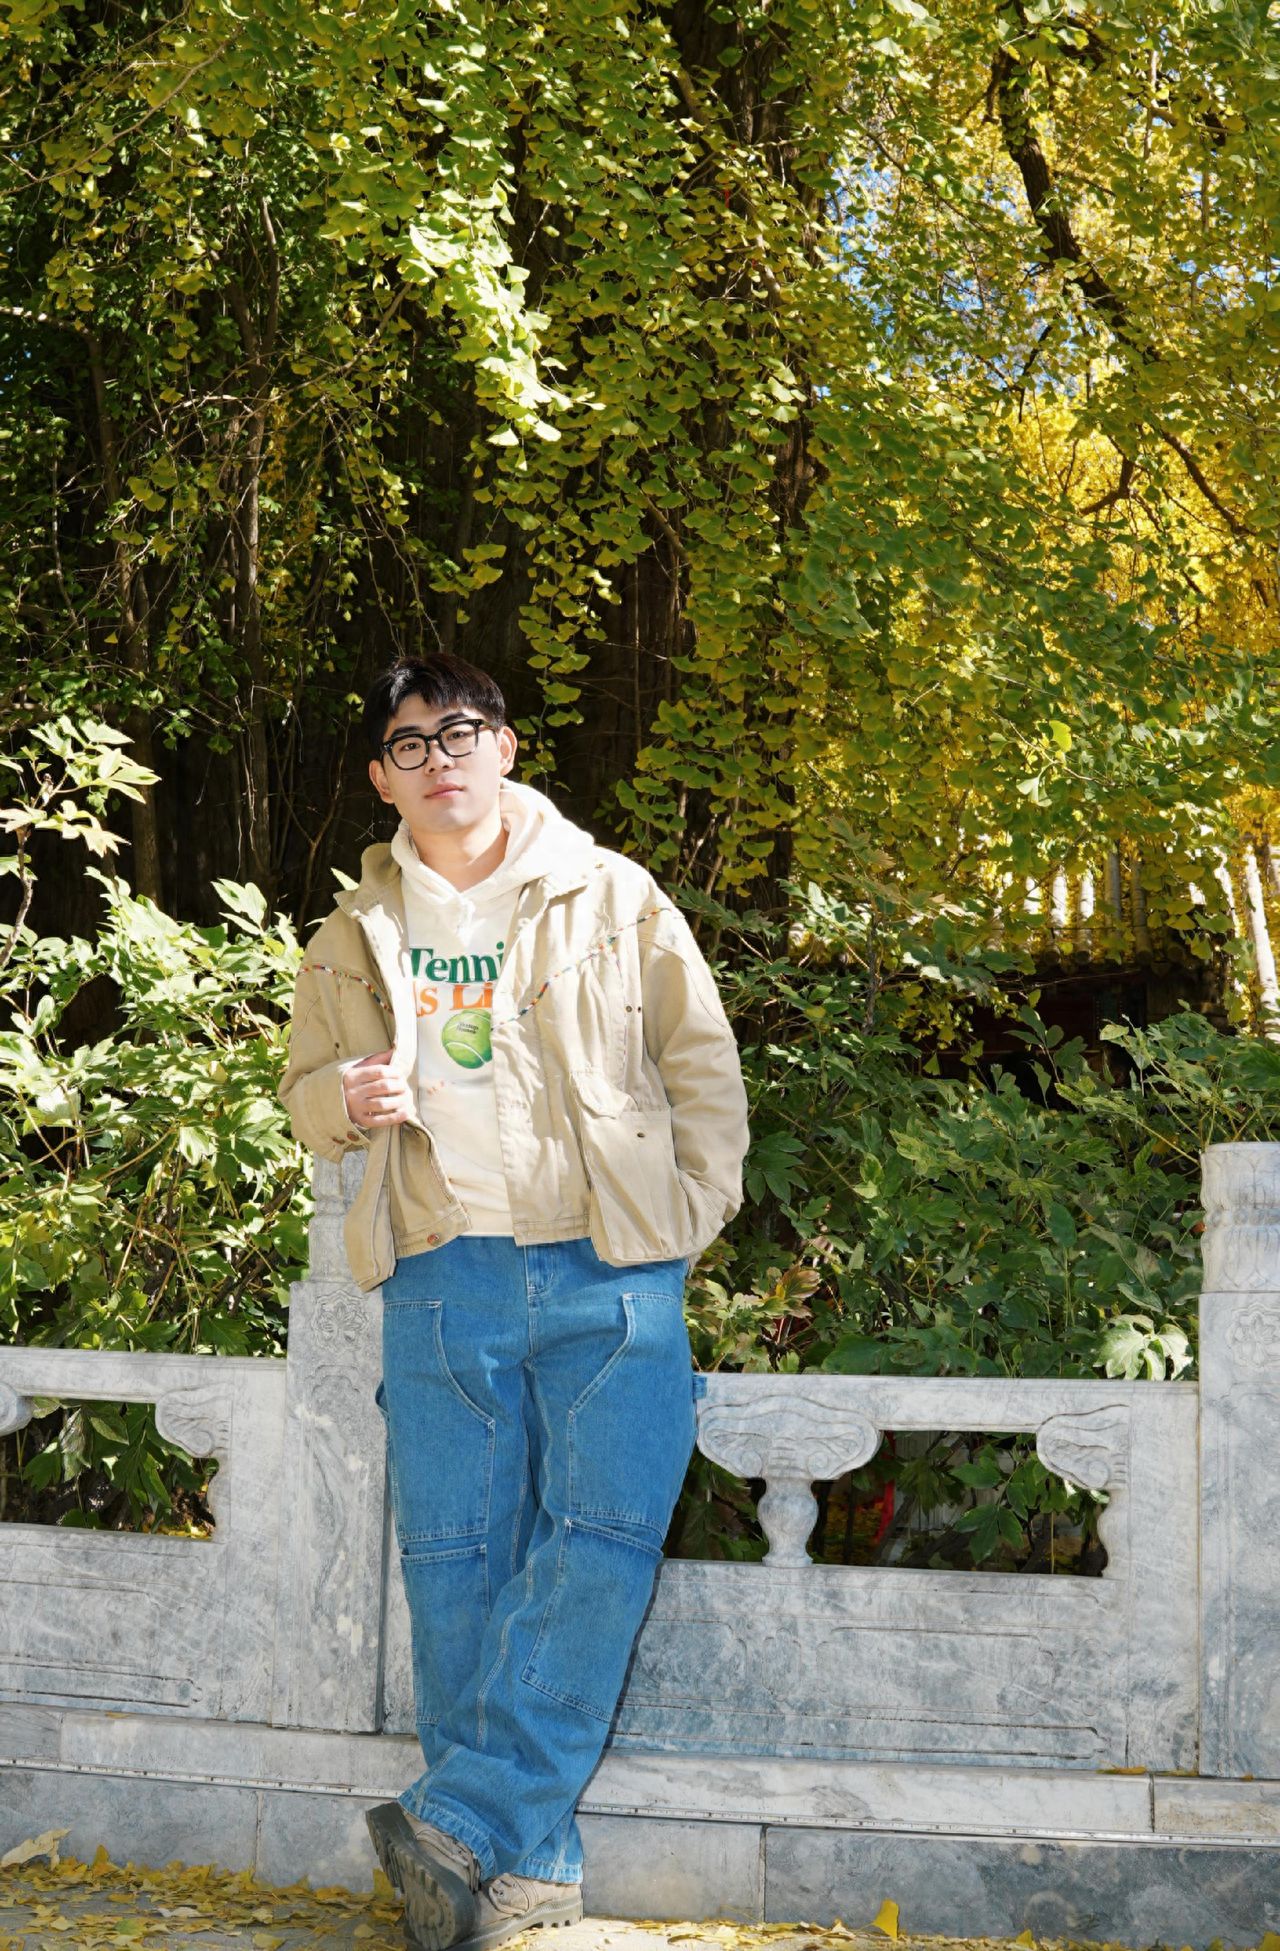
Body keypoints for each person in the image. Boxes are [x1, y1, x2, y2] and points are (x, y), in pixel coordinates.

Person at [277, 653, 750, 1951]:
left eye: (462, 733)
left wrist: (678, 1226)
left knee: (607, 1529)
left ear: (508, 750)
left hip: (609, 1264)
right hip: (442, 1270)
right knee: (457, 1567)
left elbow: (700, 1066)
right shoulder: (350, 936)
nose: (440, 759)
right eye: (412, 743)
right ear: (385, 776)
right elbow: (304, 1093)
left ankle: (453, 1823)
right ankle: (525, 1881)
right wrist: (346, 1098)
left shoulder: (614, 898)